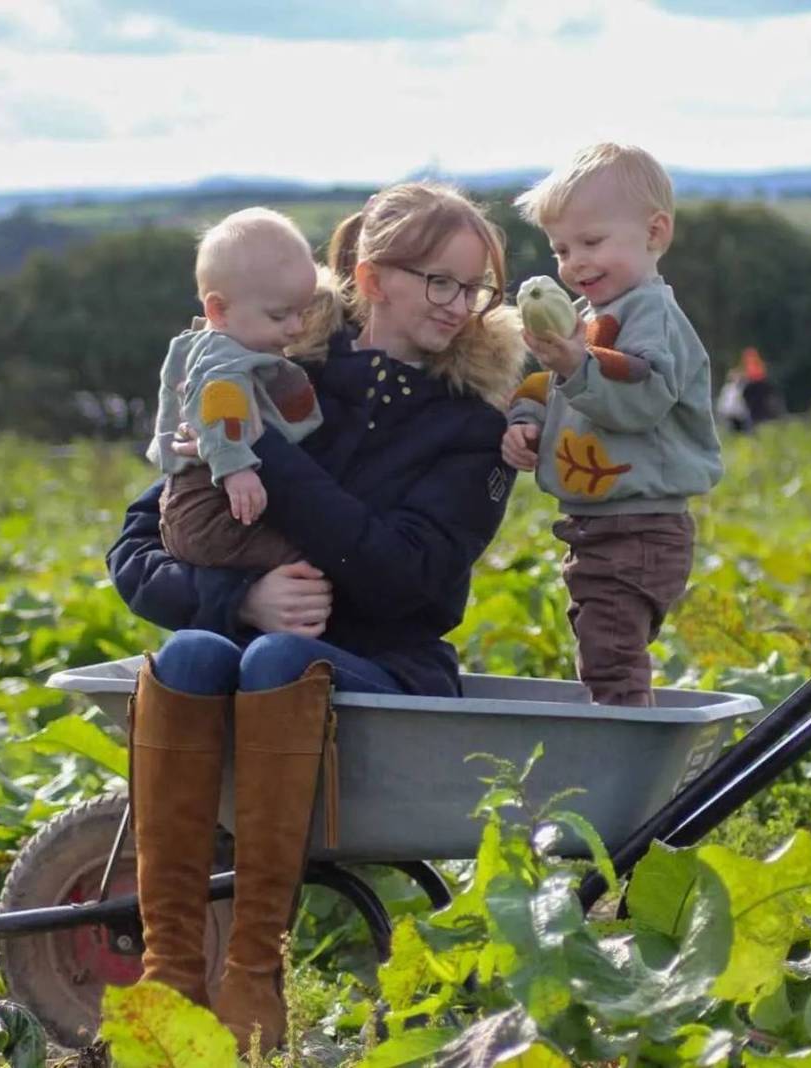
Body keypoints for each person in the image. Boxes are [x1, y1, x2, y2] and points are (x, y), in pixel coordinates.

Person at [106, 182, 526, 1053]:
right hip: (247, 651)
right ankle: (172, 972)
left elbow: (403, 578)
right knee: (193, 649)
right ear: (371, 278)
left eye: (475, 288)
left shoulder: (470, 432)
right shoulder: (269, 373)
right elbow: (139, 548)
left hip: (383, 675)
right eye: (439, 283)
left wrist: (261, 455)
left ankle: (256, 966)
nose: (461, 307)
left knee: (275, 664)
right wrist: (239, 598)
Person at [502, 142, 722, 707]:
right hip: (599, 523)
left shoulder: (652, 316)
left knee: (610, 657)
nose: (574, 263)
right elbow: (547, 387)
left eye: (592, 243)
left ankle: (625, 757)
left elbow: (642, 397)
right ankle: (622, 739)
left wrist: (576, 365)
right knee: (601, 647)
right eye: (561, 249)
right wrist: (527, 417)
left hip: (641, 527)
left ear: (655, 234)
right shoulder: (585, 317)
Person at [148, 207, 340, 572]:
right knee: (314, 561)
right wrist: (236, 469)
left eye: (301, 312)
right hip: (208, 510)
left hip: (199, 510)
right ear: (219, 310)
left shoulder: (232, 345)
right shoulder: (221, 364)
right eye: (279, 316)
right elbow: (221, 412)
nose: (297, 328)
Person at [715, 367, 751, 432]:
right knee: (731, 431)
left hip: (740, 415)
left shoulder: (743, 388)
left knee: (742, 432)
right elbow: (724, 401)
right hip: (729, 414)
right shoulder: (727, 388)